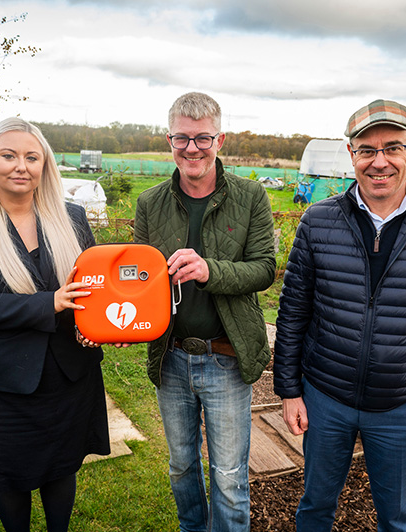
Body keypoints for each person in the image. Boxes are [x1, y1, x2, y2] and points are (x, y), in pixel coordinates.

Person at [274, 99, 406, 532]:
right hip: (326, 398)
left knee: (396, 519)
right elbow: (293, 311)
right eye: (366, 150)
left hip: (403, 404)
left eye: (392, 147)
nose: (379, 161)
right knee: (314, 509)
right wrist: (291, 390)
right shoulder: (319, 220)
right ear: (351, 154)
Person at [0, 117, 110, 532]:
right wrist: (49, 303)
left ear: (44, 165)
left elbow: (92, 290)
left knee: (61, 467)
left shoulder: (71, 218)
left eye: (31, 157)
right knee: (11, 476)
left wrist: (104, 329)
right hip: (6, 379)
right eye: (9, 155)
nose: (21, 166)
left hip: (69, 372)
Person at [134, 92, 276, 532]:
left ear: (220, 139)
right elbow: (139, 276)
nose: (191, 149)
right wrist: (124, 317)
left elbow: (265, 269)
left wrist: (208, 269)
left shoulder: (251, 197)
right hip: (172, 356)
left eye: (202, 138)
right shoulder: (150, 202)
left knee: (230, 478)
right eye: (182, 138)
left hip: (225, 358)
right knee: (181, 469)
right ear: (169, 139)